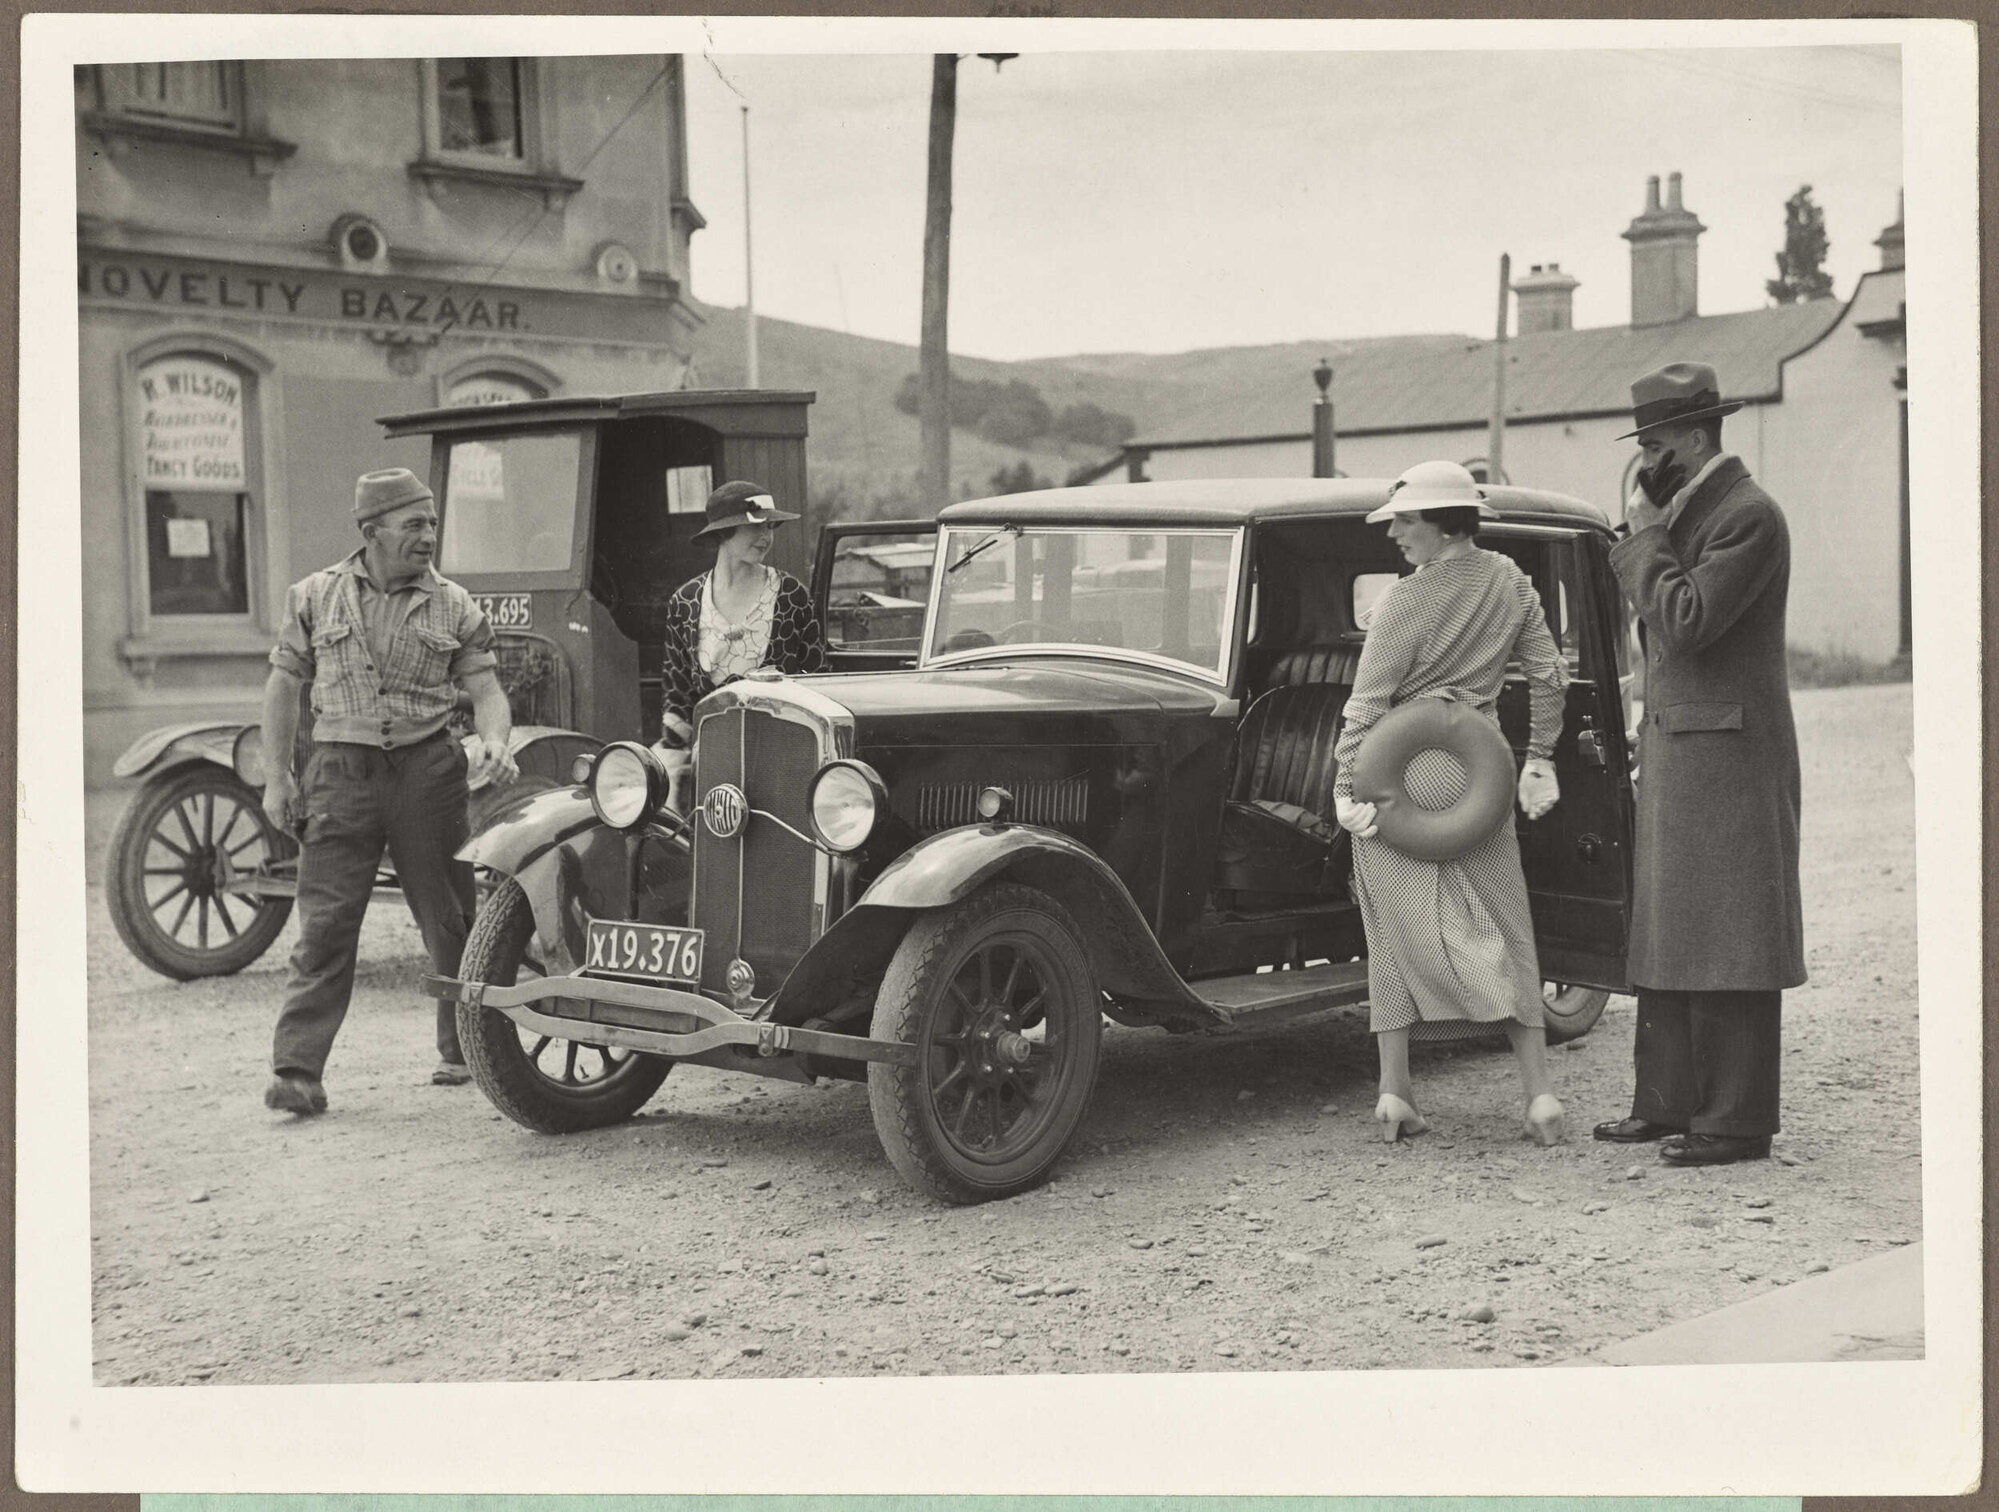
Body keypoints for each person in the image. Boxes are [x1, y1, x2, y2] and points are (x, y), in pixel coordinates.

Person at [1593, 362, 1804, 1166]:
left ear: (1691, 436)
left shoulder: (1747, 515)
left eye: (1653, 445)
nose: (1645, 460)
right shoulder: (1691, 512)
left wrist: (1644, 538)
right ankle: (1667, 1102)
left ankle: (1735, 1122)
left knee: (1729, 936)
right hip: (1684, 749)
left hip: (1729, 757)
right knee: (1672, 930)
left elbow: (1687, 621)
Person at [260, 467, 518, 1115]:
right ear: (371, 531)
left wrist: (495, 740)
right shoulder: (313, 596)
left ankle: (463, 1048)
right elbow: (283, 686)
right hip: (339, 776)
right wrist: (276, 778)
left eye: (431, 523)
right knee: (325, 924)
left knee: (449, 917)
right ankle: (297, 1072)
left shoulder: (455, 604)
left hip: (427, 775)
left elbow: (487, 690)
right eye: (413, 524)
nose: (428, 536)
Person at [1331, 461, 1570, 1146]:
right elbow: (1549, 674)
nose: (1394, 535)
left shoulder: (1403, 601)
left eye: (1405, 521)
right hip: (1479, 772)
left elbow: (1366, 705)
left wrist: (1344, 788)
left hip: (1401, 774)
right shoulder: (1511, 581)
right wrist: (1540, 757)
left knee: (1393, 932)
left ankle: (1394, 1093)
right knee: (1507, 923)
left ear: (1441, 525)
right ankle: (1539, 1096)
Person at [656, 480, 827, 792]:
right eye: (756, 527)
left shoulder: (791, 596)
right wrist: (675, 768)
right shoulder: (686, 602)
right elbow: (677, 698)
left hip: (784, 766)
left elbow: (817, 683)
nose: (766, 536)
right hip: (710, 768)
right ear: (724, 531)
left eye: (771, 527)